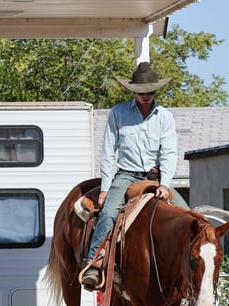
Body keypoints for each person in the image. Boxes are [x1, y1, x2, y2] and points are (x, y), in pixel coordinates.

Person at [81, 61, 189, 290]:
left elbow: (169, 153)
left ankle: (188, 272)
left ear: (156, 91)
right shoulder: (118, 113)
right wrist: (105, 188)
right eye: (141, 92)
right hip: (126, 176)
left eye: (150, 91)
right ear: (133, 91)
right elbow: (108, 152)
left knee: (187, 216)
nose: (146, 96)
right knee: (109, 212)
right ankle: (94, 263)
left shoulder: (165, 118)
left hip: (155, 177)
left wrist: (166, 184)